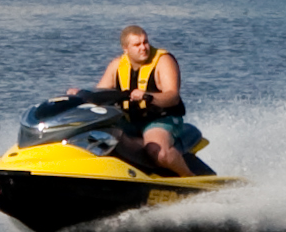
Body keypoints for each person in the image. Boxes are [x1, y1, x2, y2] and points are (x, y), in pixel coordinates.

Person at [66, 23, 200, 176]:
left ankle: (190, 179)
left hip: (162, 119)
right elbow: (99, 94)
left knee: (157, 151)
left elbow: (172, 97)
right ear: (126, 49)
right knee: (95, 136)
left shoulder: (163, 61)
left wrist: (148, 96)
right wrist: (80, 95)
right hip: (130, 119)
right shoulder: (117, 65)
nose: (143, 47)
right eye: (137, 44)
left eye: (145, 42)